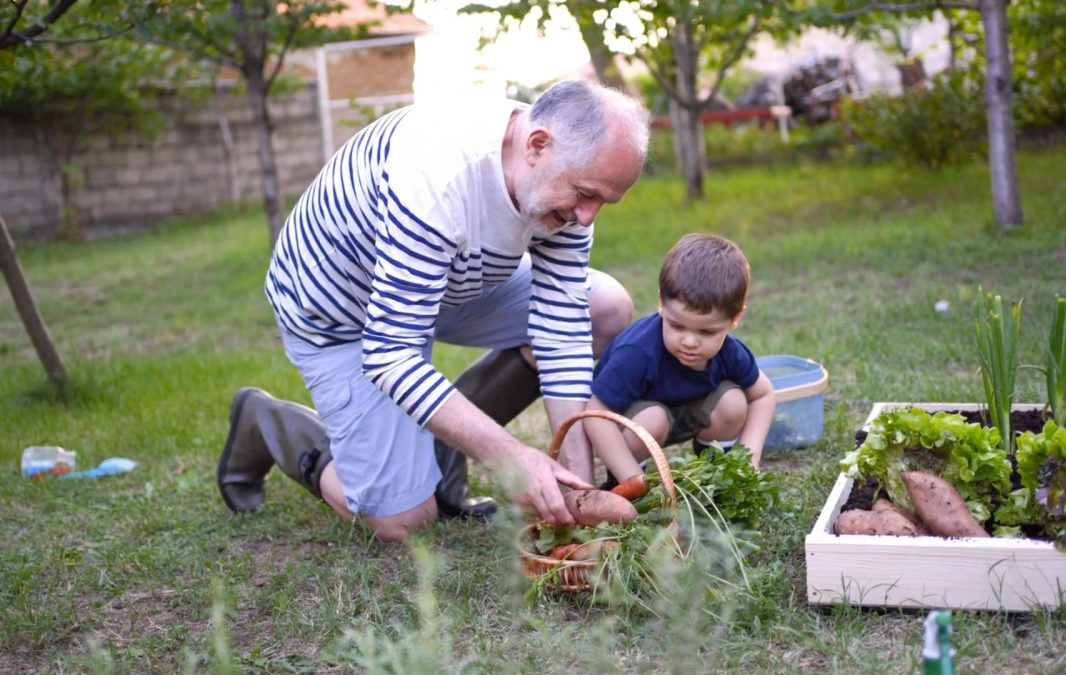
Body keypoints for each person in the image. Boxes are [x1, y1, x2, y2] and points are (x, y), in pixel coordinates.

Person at [217, 80, 650, 542]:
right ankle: (267, 422)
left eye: (604, 200)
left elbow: (562, 327)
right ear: (537, 146)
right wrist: (510, 457)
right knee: (404, 521)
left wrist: (576, 479)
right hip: (344, 313)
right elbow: (391, 354)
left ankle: (442, 444)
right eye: (586, 195)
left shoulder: (562, 170)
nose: (588, 217)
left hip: (445, 284)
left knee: (601, 308)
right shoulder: (437, 175)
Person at [583, 234, 776, 487]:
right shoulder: (637, 352)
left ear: (734, 319)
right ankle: (624, 483)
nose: (689, 341)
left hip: (688, 414)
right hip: (638, 424)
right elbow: (595, 414)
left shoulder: (730, 351)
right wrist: (632, 479)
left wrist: (749, 460)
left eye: (707, 332)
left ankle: (717, 479)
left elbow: (763, 394)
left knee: (733, 401)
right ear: (662, 304)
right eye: (676, 325)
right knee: (652, 419)